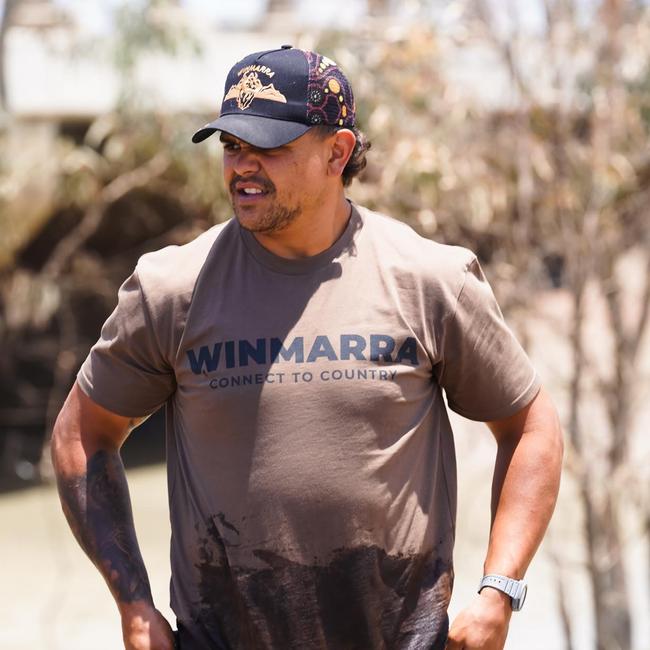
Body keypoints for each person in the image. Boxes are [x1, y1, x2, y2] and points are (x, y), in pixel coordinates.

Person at [51, 45, 563, 650]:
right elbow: (81, 436)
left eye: (268, 148)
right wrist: (134, 608)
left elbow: (532, 428)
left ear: (337, 152)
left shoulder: (429, 280)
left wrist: (499, 592)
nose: (242, 167)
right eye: (231, 146)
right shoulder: (173, 289)